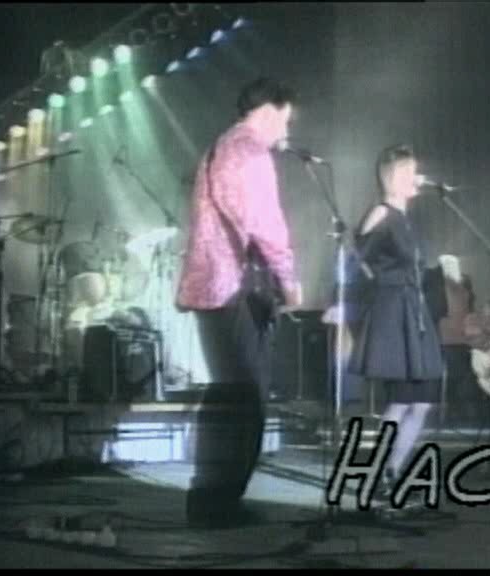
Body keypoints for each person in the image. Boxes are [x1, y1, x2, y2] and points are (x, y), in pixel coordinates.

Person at [176, 78, 302, 515]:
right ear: (268, 110)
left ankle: (212, 497)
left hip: (212, 286)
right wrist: (289, 277)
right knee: (246, 398)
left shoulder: (220, 147)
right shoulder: (250, 151)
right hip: (234, 288)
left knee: (230, 394)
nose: (286, 131)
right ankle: (218, 501)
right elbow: (264, 222)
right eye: (285, 120)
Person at [346, 145, 445, 503]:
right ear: (391, 178)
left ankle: (393, 471)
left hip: (413, 311)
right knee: (402, 400)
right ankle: (378, 474)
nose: (416, 178)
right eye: (409, 172)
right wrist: (349, 303)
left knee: (421, 402)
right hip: (393, 311)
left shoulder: (404, 219)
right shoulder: (381, 213)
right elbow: (356, 263)